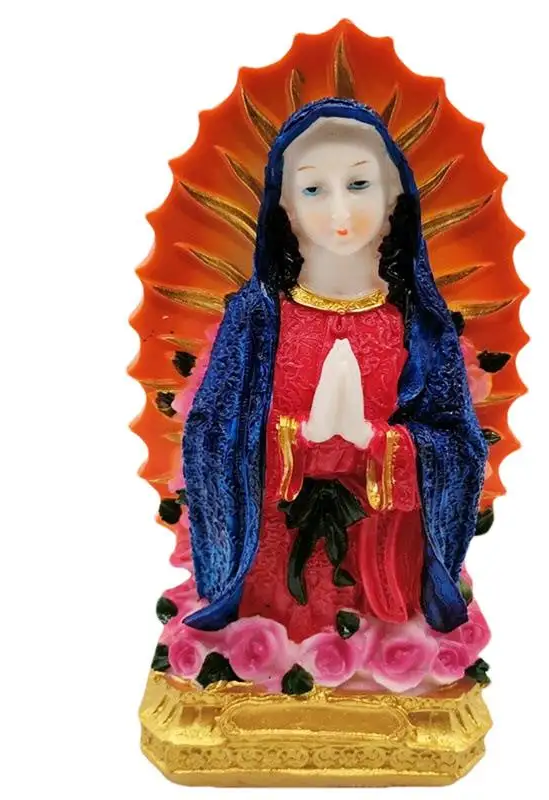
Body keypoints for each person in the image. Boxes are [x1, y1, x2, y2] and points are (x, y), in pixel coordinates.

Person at [182, 97, 488, 642]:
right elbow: (209, 438)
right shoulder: (257, 320)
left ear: (395, 195)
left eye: (359, 184)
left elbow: (458, 447)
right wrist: (293, 441)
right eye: (313, 189)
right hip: (276, 569)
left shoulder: (418, 324)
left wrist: (380, 445)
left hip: (379, 563)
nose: (339, 212)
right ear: (284, 204)